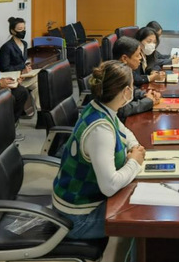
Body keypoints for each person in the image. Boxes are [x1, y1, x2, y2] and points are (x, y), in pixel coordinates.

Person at [52, 60, 145, 240]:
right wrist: (134, 162)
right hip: (78, 219)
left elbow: (124, 131)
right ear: (126, 91)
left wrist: (134, 147)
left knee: (136, 193)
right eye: (132, 86)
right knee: (141, 214)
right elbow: (109, 186)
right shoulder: (100, 130)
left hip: (79, 204)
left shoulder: (99, 107)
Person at [113, 36, 160, 122]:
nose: (140, 58)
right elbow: (121, 110)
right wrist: (148, 101)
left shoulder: (124, 70)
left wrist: (144, 94)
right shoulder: (114, 76)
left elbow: (131, 90)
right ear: (124, 58)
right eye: (138, 55)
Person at [0, 17, 40, 111]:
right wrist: (22, 70)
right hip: (13, 78)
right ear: (13, 31)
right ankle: (40, 112)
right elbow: (4, 68)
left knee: (38, 86)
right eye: (20, 29)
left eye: (24, 28)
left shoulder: (24, 44)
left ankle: (40, 111)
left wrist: (26, 66)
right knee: (41, 79)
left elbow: (22, 61)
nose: (23, 31)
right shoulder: (6, 47)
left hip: (23, 76)